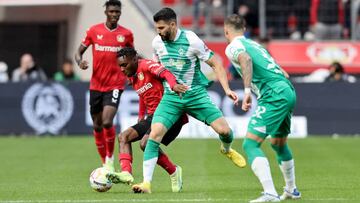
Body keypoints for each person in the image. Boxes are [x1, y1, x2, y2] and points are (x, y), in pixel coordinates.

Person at [131, 7, 246, 194]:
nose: (158, 32)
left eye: (161, 28)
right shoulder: (157, 43)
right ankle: (146, 183)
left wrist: (226, 89)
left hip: (196, 96)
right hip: (171, 98)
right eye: (157, 29)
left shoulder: (192, 40)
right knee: (154, 135)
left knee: (225, 131)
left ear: (173, 25)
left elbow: (216, 63)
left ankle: (226, 149)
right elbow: (157, 71)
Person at [223, 14, 301, 202]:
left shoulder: (233, 47)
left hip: (274, 95)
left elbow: (246, 60)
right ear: (244, 29)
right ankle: (291, 190)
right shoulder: (256, 44)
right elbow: (282, 71)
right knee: (278, 143)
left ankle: (270, 193)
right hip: (286, 90)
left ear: (226, 31)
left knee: (250, 144)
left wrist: (247, 90)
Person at [106, 47, 188, 192]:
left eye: (124, 65)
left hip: (169, 113)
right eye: (120, 66)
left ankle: (174, 172)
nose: (122, 69)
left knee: (145, 143)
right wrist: (140, 116)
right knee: (124, 136)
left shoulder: (147, 65)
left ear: (134, 59)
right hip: (152, 117)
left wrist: (173, 85)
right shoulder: (132, 76)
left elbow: (165, 73)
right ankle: (126, 173)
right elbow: (143, 95)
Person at [74, 0, 134, 172]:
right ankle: (104, 161)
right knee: (97, 125)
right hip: (96, 84)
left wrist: (132, 73)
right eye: (112, 11)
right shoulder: (94, 31)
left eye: (117, 11)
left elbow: (132, 56)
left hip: (115, 84)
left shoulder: (126, 34)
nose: (115, 14)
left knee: (108, 121)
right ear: (106, 12)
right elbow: (78, 52)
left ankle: (110, 158)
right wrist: (80, 62)